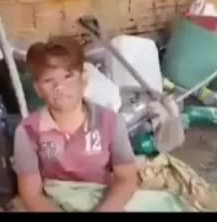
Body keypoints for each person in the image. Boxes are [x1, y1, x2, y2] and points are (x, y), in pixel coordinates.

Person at [13, 36, 138, 212]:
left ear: (84, 79)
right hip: (52, 204)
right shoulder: (27, 131)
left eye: (68, 76)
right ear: (38, 89)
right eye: (48, 81)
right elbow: (31, 193)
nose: (59, 87)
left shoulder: (111, 122)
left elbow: (126, 178)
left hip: (103, 201)